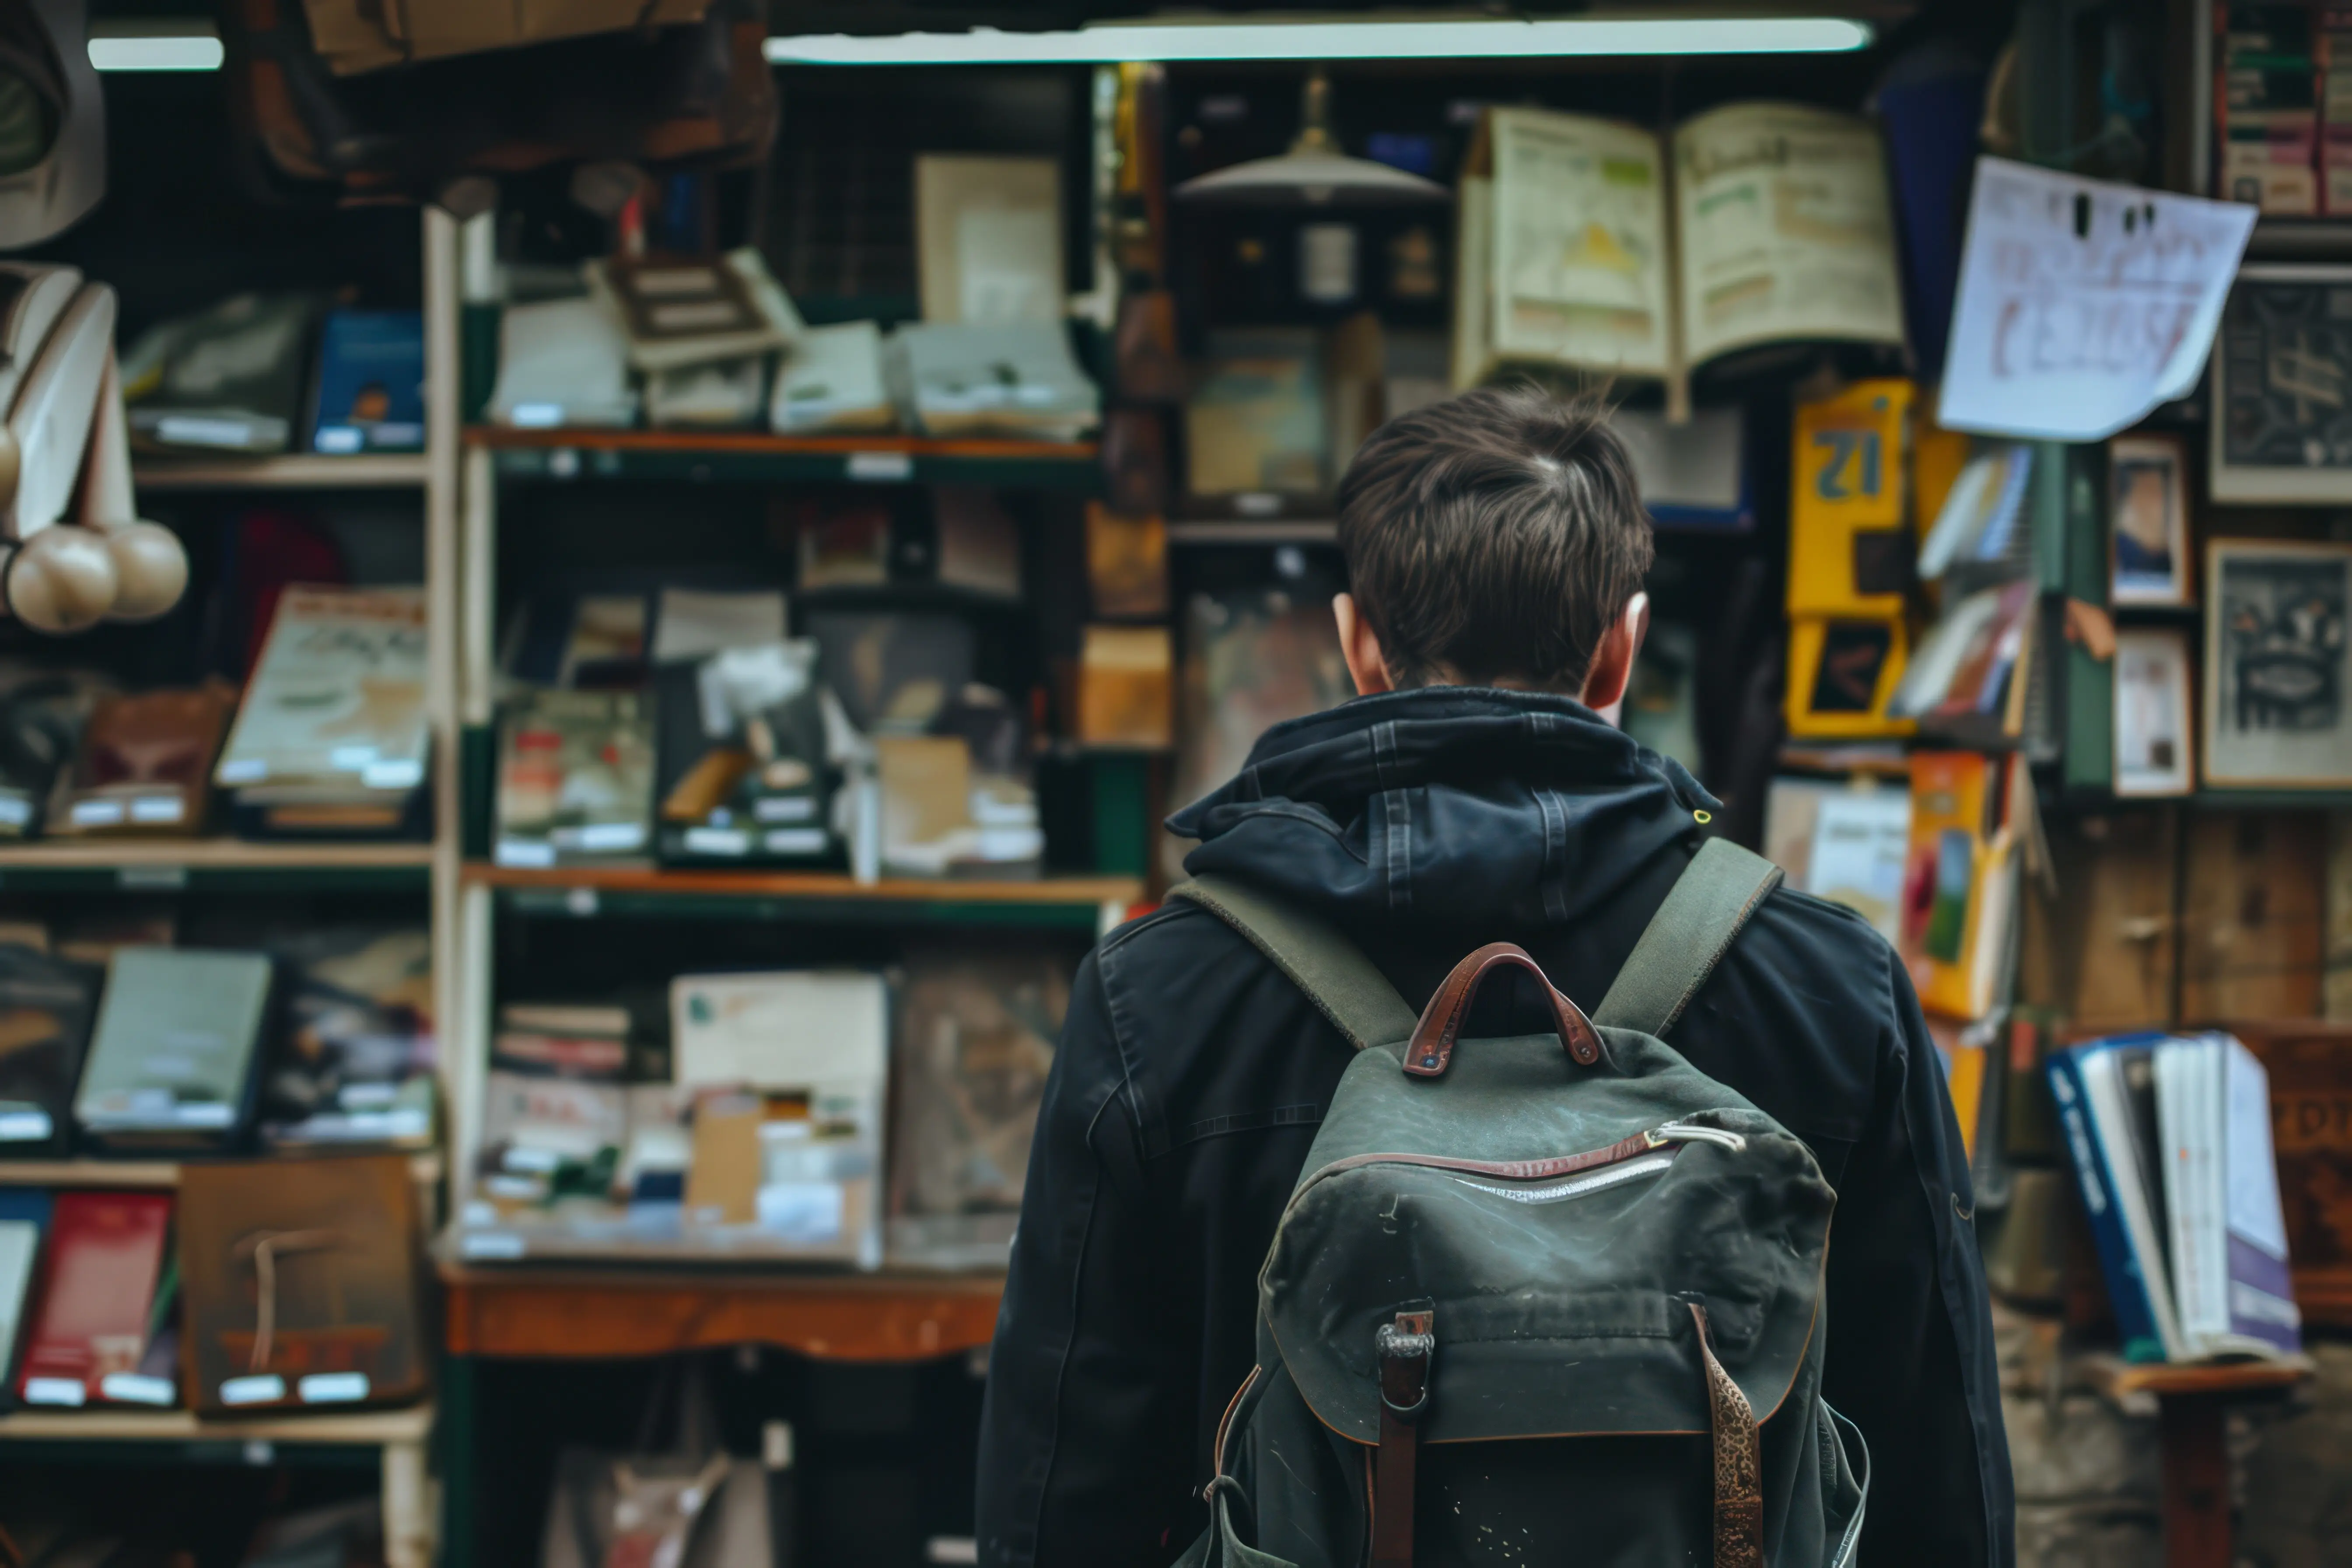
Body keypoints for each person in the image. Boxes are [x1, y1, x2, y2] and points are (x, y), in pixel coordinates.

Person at [976, 386, 2013, 1568]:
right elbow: (1943, 1484)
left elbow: (1061, 1490)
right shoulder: (1834, 990)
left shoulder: (1160, 999)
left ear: (1359, 643)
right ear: (1621, 645)